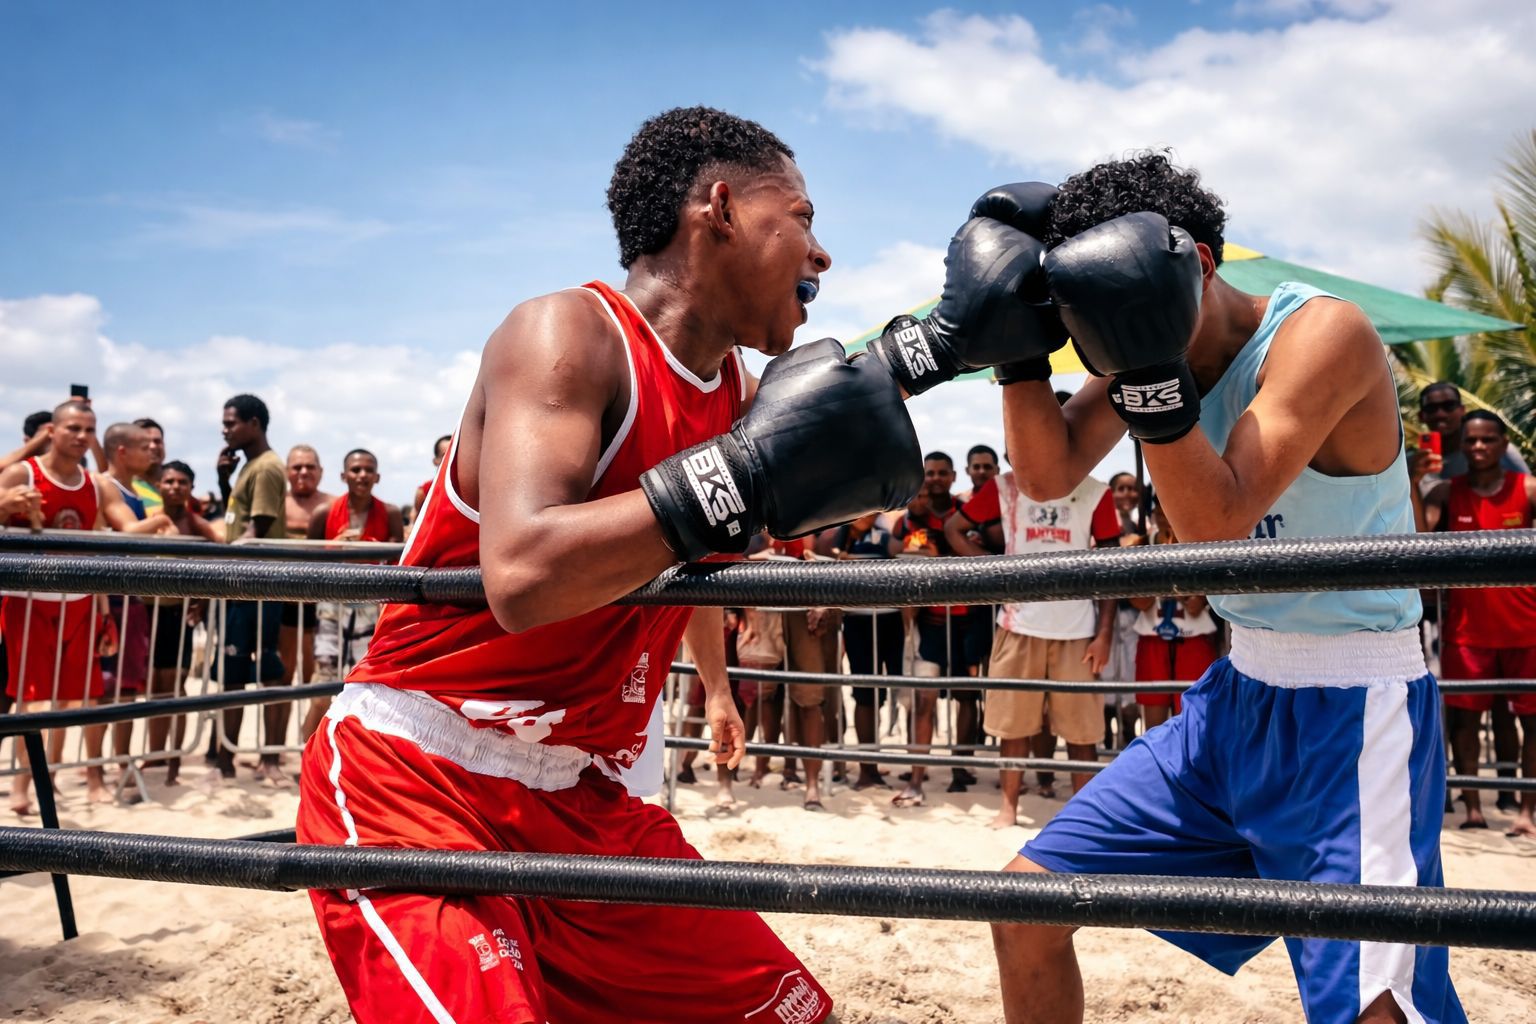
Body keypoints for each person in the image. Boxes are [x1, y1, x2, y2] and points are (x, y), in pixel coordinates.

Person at [291, 103, 1050, 1023]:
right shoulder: (566, 334)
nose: (821, 254)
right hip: (422, 780)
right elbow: (524, 573)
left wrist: (953, 342)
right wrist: (742, 474)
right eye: (802, 218)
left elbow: (795, 441)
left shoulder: (737, 395)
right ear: (721, 209)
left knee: (792, 1017)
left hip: (579, 796)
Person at [976, 155, 1462, 1023]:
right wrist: (1016, 352)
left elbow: (1216, 528)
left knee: (1375, 1011)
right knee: (1025, 910)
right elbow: (1047, 474)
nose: (1097, 338)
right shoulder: (1146, 346)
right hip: (1234, 699)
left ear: (1197, 264)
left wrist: (1141, 362)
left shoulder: (1322, 332)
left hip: (1354, 707)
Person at [946, 454, 1119, 825]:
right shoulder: (1005, 486)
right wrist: (995, 574)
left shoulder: (1095, 491)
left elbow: (1112, 567)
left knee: (1082, 733)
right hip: (1018, 624)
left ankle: (1083, 818)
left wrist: (1104, 633)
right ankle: (1008, 808)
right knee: (1013, 728)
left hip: (1078, 629)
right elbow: (953, 529)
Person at [1414, 410, 1536, 837]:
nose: (1479, 447)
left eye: (1487, 439)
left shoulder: (1529, 488)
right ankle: (1472, 808)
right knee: (1464, 723)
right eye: (1471, 441)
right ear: (1461, 446)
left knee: (1531, 723)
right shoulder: (1447, 492)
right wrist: (1413, 480)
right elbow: (1419, 543)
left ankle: (1526, 811)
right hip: (1467, 631)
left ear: (1504, 444)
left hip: (1527, 628)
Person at [0, 401, 118, 812]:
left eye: (90, 429)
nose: (82, 437)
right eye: (74, 428)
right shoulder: (23, 473)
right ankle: (21, 787)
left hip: (80, 600)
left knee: (77, 697)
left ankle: (59, 779)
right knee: (33, 700)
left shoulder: (95, 484)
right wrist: (4, 505)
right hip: (27, 600)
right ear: (52, 430)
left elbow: (108, 539)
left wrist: (104, 610)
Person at [892, 451, 982, 805]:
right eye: (929, 473)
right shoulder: (915, 517)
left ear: (953, 476)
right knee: (924, 699)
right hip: (930, 624)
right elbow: (907, 557)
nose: (935, 479)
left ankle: (960, 767)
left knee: (965, 696)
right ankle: (916, 779)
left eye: (942, 473)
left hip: (968, 621)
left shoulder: (968, 511)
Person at [298, 449, 404, 740]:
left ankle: (356, 753)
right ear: (343, 475)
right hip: (332, 606)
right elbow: (306, 561)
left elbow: (397, 563)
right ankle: (307, 749)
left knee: (367, 684)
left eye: (368, 470)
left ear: (377, 476)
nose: (362, 475)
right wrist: (335, 547)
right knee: (323, 680)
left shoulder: (391, 513)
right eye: (356, 470)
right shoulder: (324, 513)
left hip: (372, 608)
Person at [215, 394, 291, 785]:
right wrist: (223, 482)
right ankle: (225, 758)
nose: (225, 430)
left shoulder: (266, 467)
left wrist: (218, 567)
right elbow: (237, 521)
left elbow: (255, 533)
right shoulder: (249, 467)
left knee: (264, 671)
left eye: (231, 423)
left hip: (256, 584)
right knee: (232, 671)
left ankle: (267, 759)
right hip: (243, 583)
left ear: (254, 424)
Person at [145, 460, 218, 785]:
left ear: (191, 488)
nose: (175, 487)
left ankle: (174, 760)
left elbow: (221, 556)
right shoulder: (147, 519)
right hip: (148, 612)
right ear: (159, 485)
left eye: (182, 482)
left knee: (174, 687)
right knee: (153, 687)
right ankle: (155, 754)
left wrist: (204, 598)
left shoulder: (196, 524)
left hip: (179, 613)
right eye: (169, 481)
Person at [1127, 497, 1219, 731]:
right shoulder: (1139, 545)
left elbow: (1208, 593)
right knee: (1153, 709)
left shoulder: (1200, 542)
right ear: (1155, 514)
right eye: (1160, 512)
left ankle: (1191, 754)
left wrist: (1199, 597)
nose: (1166, 518)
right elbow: (1137, 600)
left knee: (1194, 711)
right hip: (1152, 634)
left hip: (1193, 635)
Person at [830, 513, 903, 790]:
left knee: (883, 693)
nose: (867, 514)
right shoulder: (836, 538)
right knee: (864, 695)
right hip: (858, 623)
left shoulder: (882, 535)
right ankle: (866, 768)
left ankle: (873, 764)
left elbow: (902, 549)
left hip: (889, 620)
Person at [280, 443, 333, 688]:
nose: (304, 472)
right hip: (281, 595)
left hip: (323, 596)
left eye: (310, 467)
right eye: (297, 467)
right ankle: (279, 715)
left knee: (318, 671)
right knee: (283, 668)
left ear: (320, 471)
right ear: (286, 471)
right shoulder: (276, 504)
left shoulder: (334, 504)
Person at [131, 417, 167, 514]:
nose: (153, 446)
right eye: (145, 442)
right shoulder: (123, 489)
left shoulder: (180, 485)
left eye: (157, 441)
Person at [412, 434, 451, 521]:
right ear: (435, 461)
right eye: (445, 455)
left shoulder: (469, 489)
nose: (451, 458)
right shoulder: (424, 490)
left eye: (454, 454)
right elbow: (416, 520)